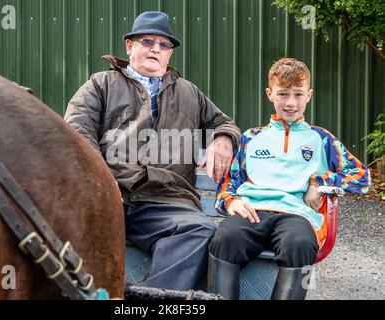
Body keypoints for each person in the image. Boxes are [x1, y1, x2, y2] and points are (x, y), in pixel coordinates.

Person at [64, 11, 241, 291]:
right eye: (147, 41)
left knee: (200, 230)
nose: (156, 49)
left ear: (169, 54)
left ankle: (150, 301)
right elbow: (77, 130)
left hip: (168, 201)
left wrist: (223, 140)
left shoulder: (188, 92)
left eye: (164, 45)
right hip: (112, 194)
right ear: (129, 46)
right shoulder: (101, 84)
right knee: (56, 232)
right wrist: (98, 176)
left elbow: (224, 122)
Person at [208, 58, 371, 300]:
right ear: (269, 94)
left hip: (297, 216)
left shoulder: (322, 139)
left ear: (309, 95)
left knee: (299, 244)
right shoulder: (251, 138)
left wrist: (321, 182)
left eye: (298, 94)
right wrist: (231, 202)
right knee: (225, 238)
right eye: (283, 94)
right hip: (253, 211)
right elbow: (228, 185)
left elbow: (362, 176)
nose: (291, 102)